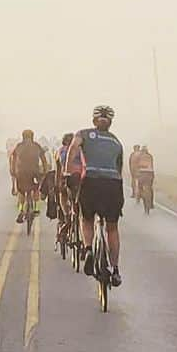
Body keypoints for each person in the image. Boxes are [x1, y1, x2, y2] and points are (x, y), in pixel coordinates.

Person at [65, 105, 125, 286]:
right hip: (113, 183)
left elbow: (73, 149)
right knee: (112, 228)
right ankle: (115, 270)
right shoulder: (117, 141)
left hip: (91, 180)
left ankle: (89, 249)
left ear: (94, 120)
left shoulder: (83, 133)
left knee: (87, 219)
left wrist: (68, 172)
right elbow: (119, 168)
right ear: (110, 122)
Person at [12, 130, 49, 224]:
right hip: (34, 172)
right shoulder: (36, 146)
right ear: (32, 136)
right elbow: (44, 160)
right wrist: (45, 171)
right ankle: (36, 208)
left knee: (21, 192)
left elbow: (13, 158)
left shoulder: (19, 146)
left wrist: (13, 171)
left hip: (21, 172)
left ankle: (21, 210)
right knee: (36, 188)